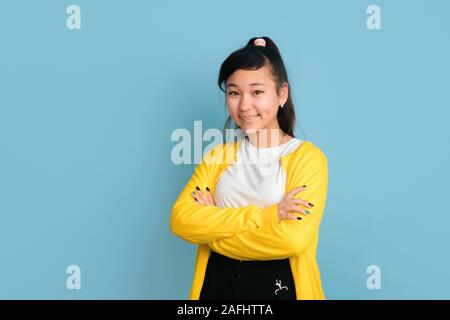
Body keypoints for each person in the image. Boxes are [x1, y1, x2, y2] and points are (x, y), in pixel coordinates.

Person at [170, 36, 329, 300]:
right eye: (234, 92)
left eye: (257, 92)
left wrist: (212, 232)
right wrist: (268, 216)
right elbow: (181, 220)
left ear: (282, 94)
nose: (244, 105)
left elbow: (293, 240)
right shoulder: (217, 157)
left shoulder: (307, 158)